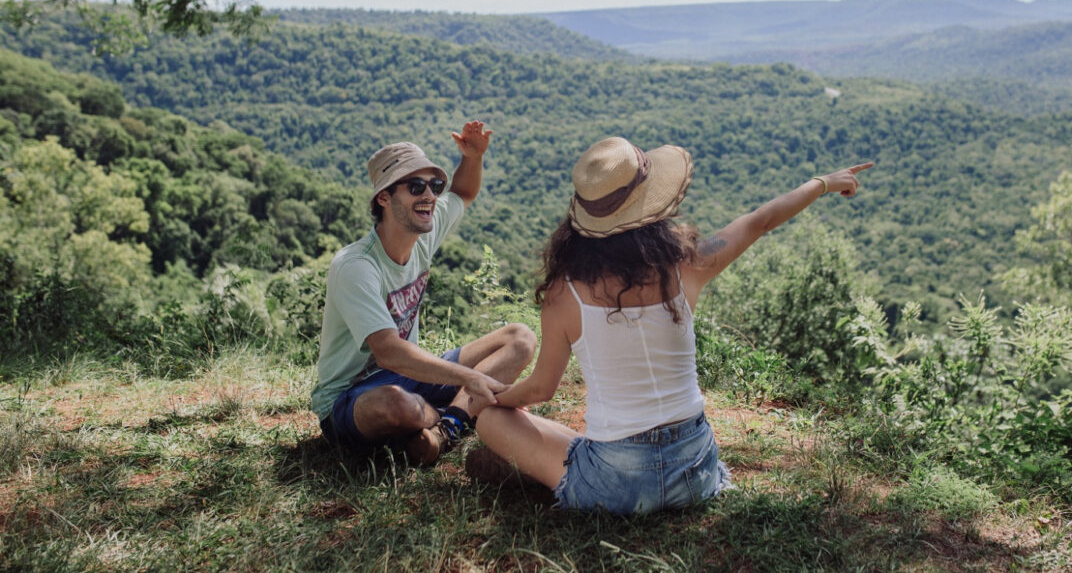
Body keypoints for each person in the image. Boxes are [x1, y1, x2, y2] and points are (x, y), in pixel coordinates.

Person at [468, 135, 872, 513]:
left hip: (616, 483)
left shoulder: (564, 294)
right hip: (695, 473)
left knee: (492, 421)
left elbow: (541, 388)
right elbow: (760, 221)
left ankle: (537, 477)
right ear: (650, 205)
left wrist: (494, 398)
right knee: (572, 440)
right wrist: (823, 183)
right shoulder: (687, 264)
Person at [310, 121, 536, 465]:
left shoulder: (422, 234)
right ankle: (457, 413)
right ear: (384, 198)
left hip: (412, 377)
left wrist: (473, 157)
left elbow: (463, 193)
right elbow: (387, 352)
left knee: (520, 338)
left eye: (434, 185)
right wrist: (472, 378)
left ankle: (446, 428)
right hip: (352, 398)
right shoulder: (355, 266)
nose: (429, 196)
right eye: (416, 186)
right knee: (397, 404)